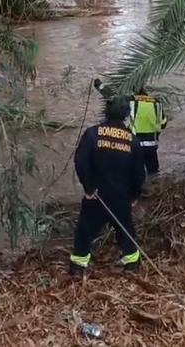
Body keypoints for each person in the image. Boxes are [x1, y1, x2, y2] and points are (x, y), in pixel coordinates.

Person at [69, 95, 146, 276]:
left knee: (85, 231)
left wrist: (88, 188)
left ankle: (78, 267)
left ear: (106, 112)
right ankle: (132, 265)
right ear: (126, 115)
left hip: (96, 196)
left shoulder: (92, 134)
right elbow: (139, 174)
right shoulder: (132, 140)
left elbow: (81, 161)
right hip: (120, 198)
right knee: (125, 230)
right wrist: (134, 195)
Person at [129, 88, 167, 178]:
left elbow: (112, 98)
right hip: (152, 146)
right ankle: (154, 186)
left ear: (134, 92)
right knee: (153, 172)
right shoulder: (156, 103)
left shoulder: (131, 102)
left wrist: (98, 84)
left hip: (136, 145)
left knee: (135, 174)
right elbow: (163, 123)